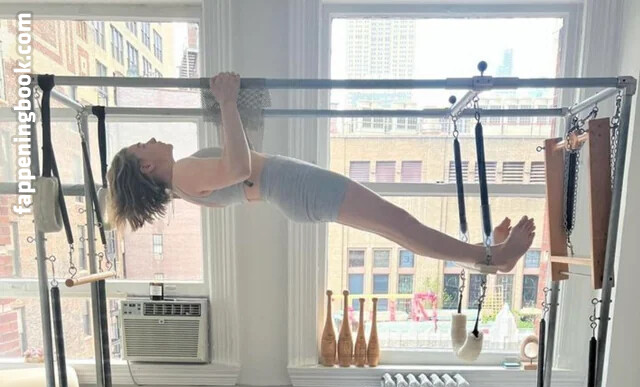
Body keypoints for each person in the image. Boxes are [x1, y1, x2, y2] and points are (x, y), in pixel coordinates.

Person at [107, 72, 535, 272]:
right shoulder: (183, 175)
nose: (150, 139)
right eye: (141, 145)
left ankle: (487, 259)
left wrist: (232, 109)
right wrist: (227, 100)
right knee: (402, 224)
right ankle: (492, 257)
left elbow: (238, 170)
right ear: (146, 166)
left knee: (399, 230)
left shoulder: (186, 184)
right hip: (294, 187)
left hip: (291, 190)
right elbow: (239, 167)